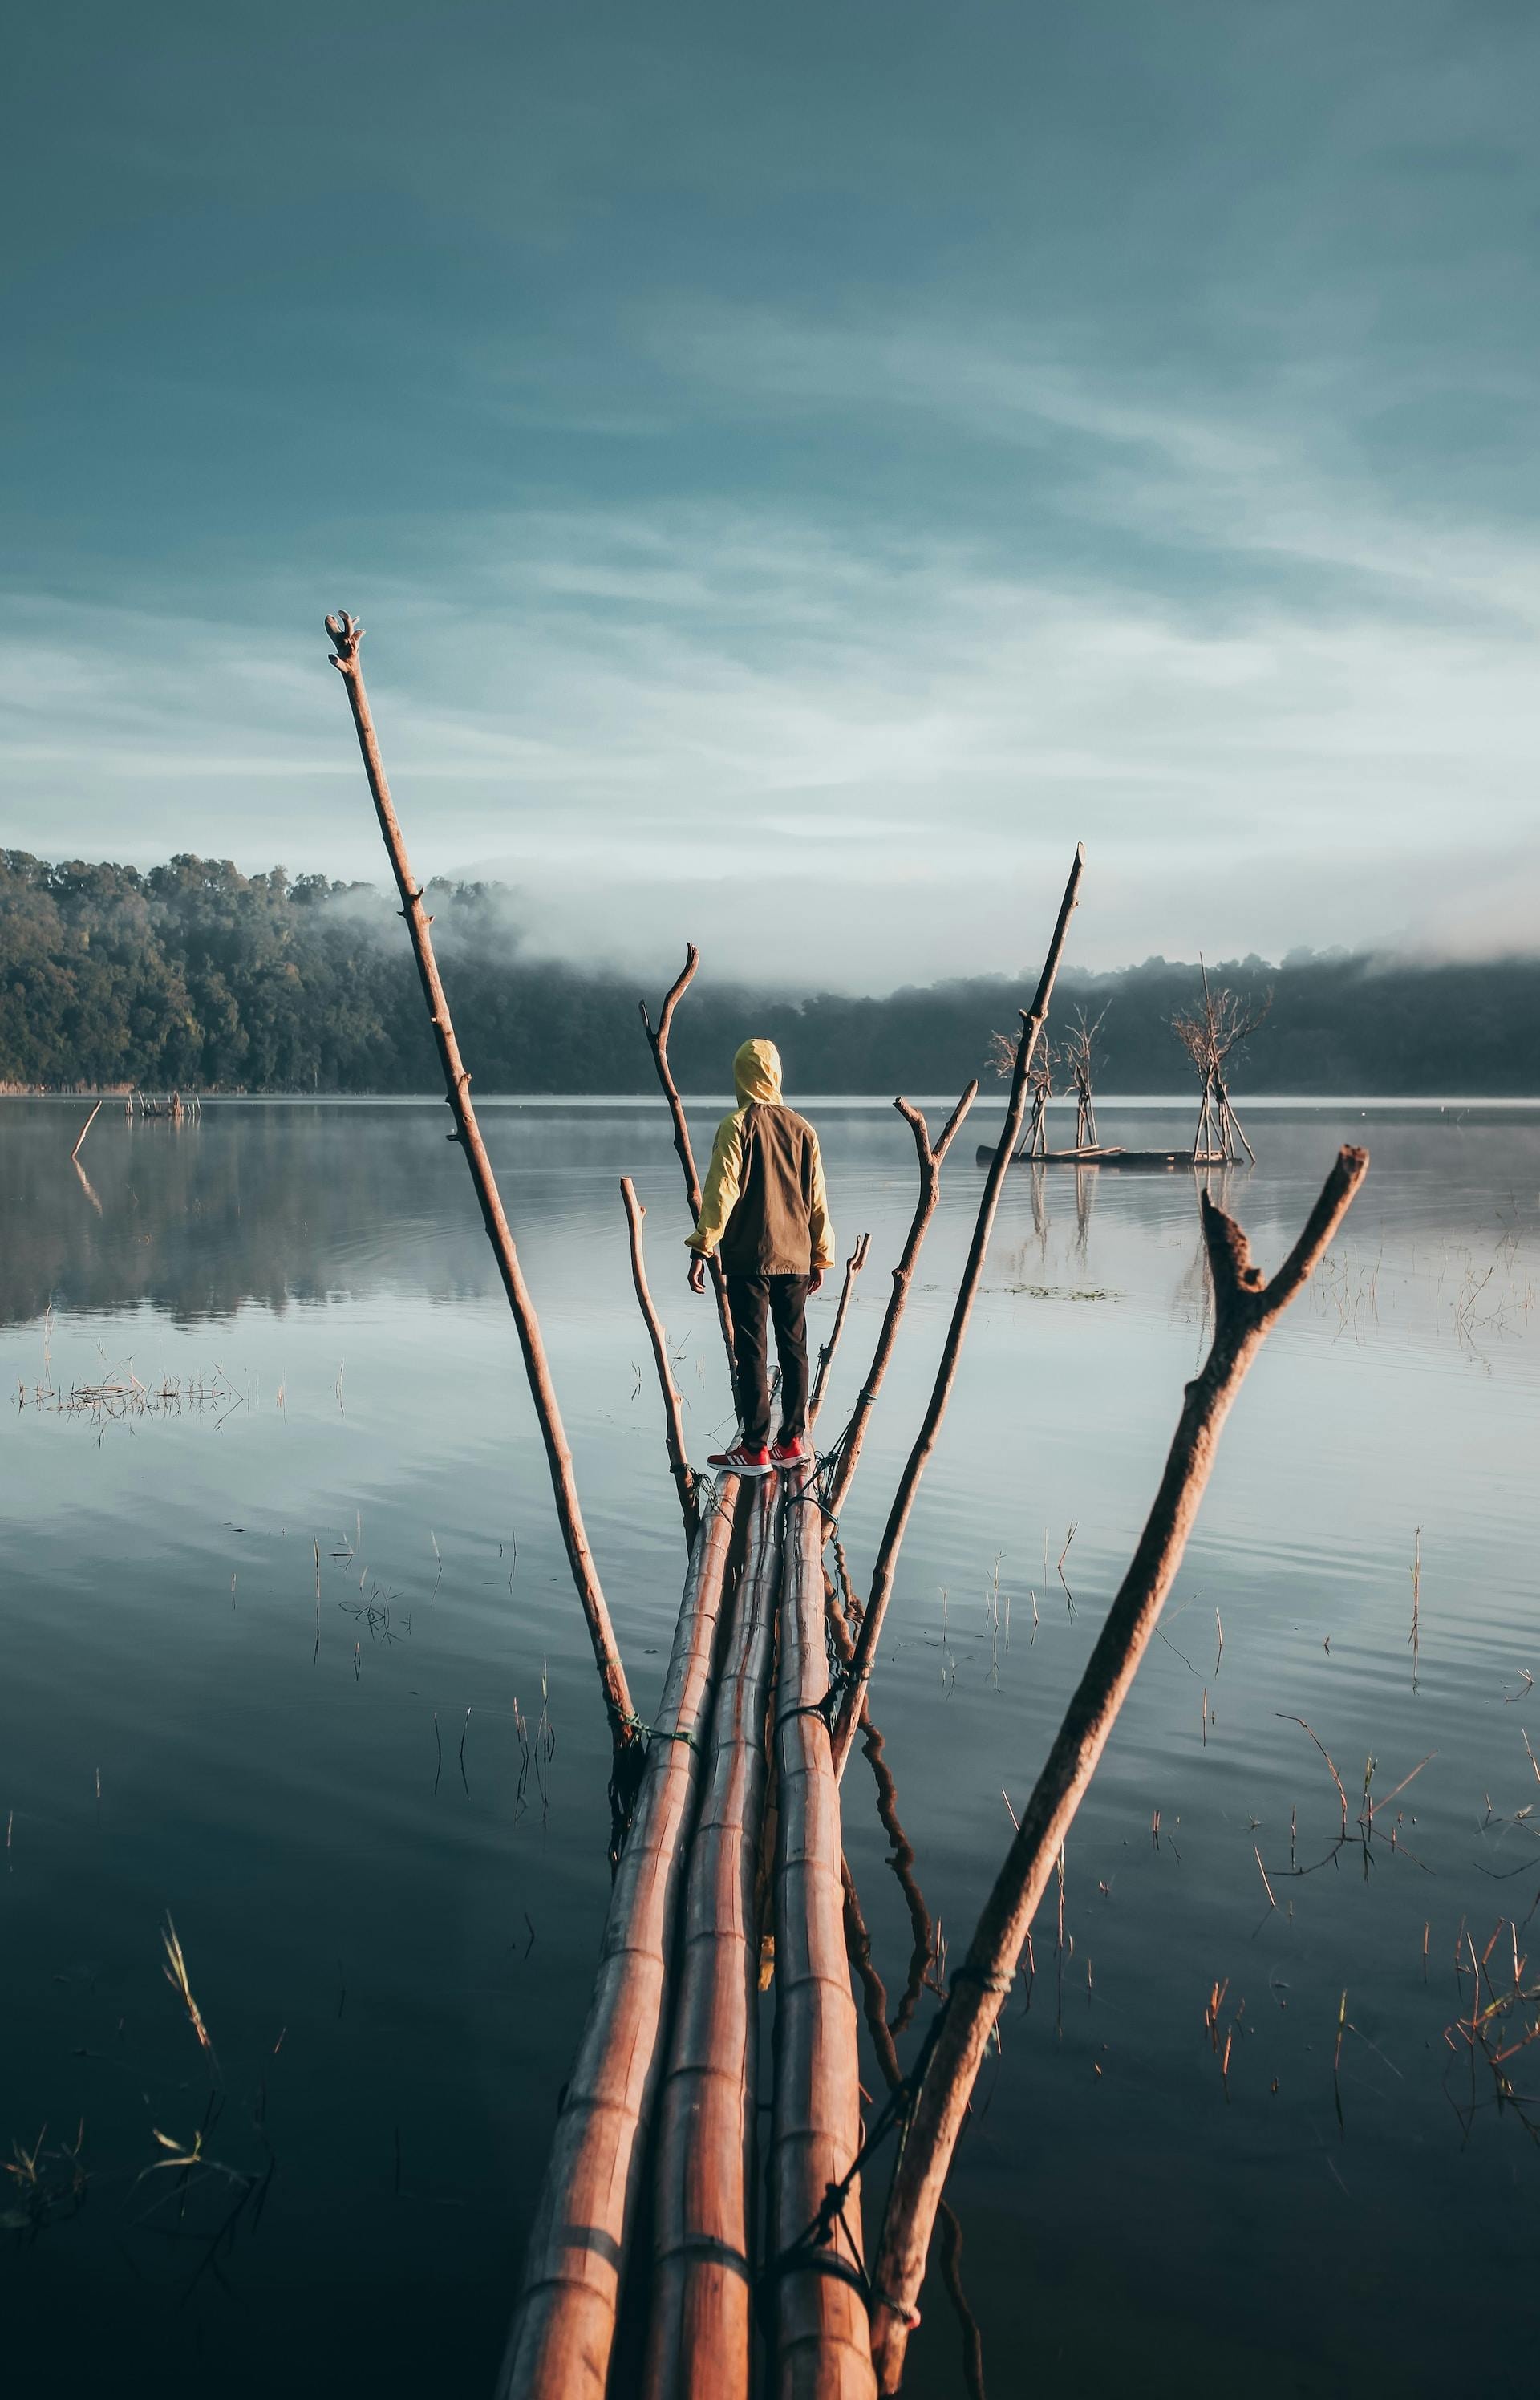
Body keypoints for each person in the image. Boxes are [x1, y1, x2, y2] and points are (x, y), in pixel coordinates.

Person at [686, 1037, 834, 1476]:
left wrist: (702, 1244)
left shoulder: (737, 1125)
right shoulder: (803, 1129)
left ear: (741, 1076)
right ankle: (791, 1441)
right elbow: (818, 1200)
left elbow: (721, 1192)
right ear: (776, 1076)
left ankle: (754, 1448)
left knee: (751, 1348)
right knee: (795, 1347)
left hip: (750, 1257)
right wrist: (821, 1255)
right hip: (795, 1258)